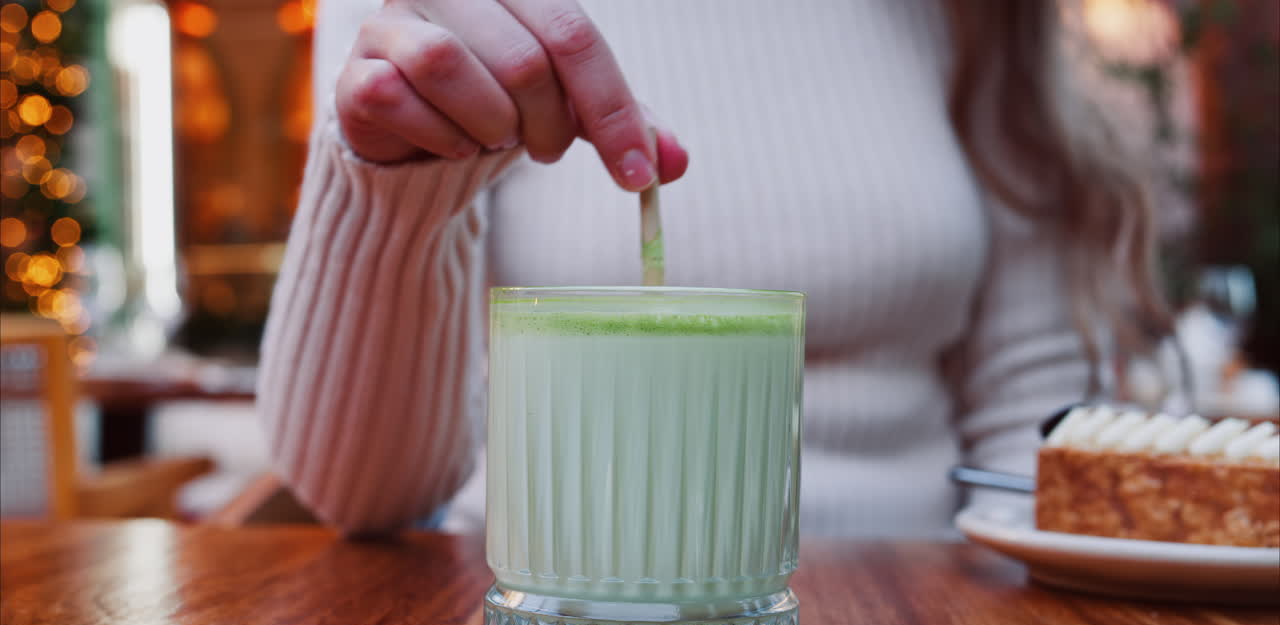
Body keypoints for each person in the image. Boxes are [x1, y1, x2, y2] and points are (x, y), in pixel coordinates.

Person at [257, 0, 1172, 536]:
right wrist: (397, 188)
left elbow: (1030, 431)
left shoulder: (965, 18)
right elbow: (365, 497)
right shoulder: (440, 17)